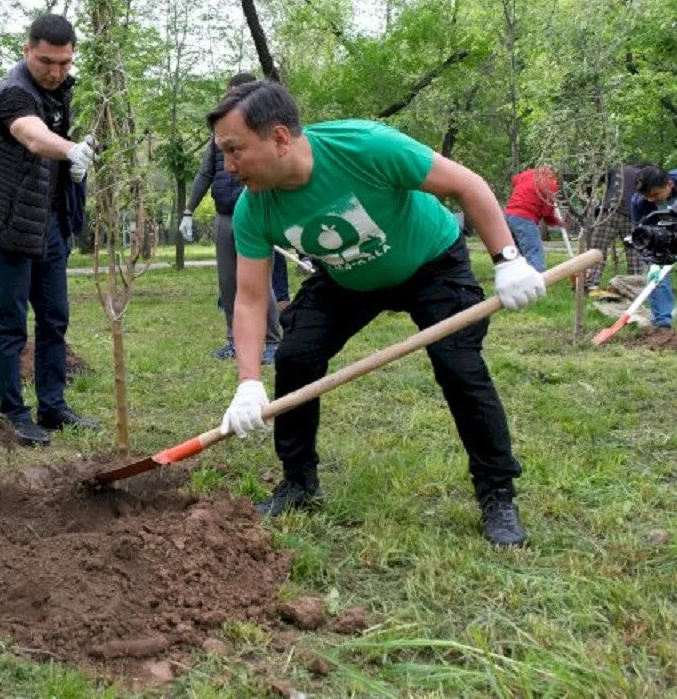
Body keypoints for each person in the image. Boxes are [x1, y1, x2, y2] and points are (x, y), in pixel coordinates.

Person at [210, 80, 546, 547]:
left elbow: (468, 185)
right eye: (222, 152)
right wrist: (248, 382)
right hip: (348, 277)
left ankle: (497, 494)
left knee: (459, 367)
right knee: (296, 358)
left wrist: (508, 260)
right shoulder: (254, 207)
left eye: (234, 150)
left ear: (280, 138)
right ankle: (299, 482)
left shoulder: (365, 147)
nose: (227, 167)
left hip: (430, 262)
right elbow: (249, 299)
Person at [0, 14, 99, 447]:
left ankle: (53, 406)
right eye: (47, 61)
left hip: (49, 223)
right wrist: (72, 151)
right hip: (9, 224)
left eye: (65, 63)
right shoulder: (13, 91)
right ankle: (13, 413)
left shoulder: (64, 90)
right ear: (28, 51)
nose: (56, 72)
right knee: (11, 322)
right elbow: (32, 136)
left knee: (54, 318)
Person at [180, 73, 285, 363]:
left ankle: (271, 340)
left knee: (258, 282)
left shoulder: (259, 134)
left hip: (255, 215)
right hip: (225, 216)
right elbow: (205, 173)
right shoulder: (219, 138)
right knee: (228, 282)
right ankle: (234, 341)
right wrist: (188, 209)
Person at [630, 164, 677, 329]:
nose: (650, 199)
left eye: (655, 194)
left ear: (669, 184)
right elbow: (641, 233)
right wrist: (649, 259)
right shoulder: (638, 202)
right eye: (646, 196)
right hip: (664, 237)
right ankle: (663, 323)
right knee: (657, 274)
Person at [585, 164, 645, 288]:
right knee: (634, 251)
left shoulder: (617, 169)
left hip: (609, 211)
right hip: (631, 214)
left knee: (598, 248)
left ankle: (591, 283)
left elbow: (594, 180)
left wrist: (591, 197)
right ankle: (636, 285)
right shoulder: (644, 175)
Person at [503, 166, 565, 272]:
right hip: (525, 218)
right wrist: (558, 222)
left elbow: (514, 180)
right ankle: (537, 282)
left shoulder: (530, 173)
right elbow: (546, 213)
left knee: (515, 253)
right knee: (534, 253)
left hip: (508, 215)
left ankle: (516, 278)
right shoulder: (551, 186)